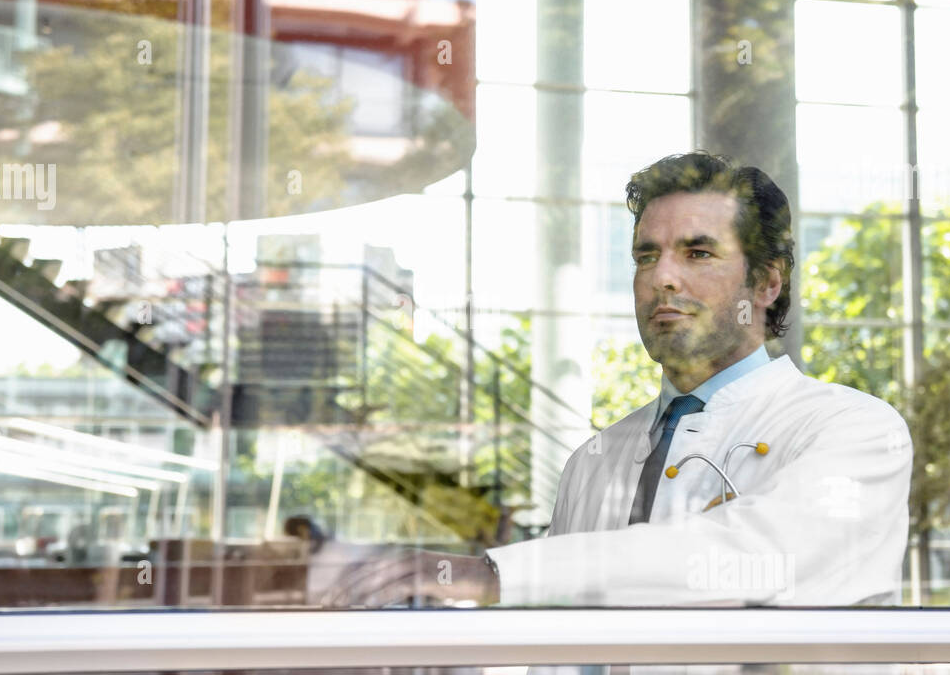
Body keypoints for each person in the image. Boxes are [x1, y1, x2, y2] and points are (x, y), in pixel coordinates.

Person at [326, 151, 912, 610]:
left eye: (698, 253)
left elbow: (762, 554)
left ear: (766, 283)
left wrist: (500, 572)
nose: (662, 278)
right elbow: (556, 660)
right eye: (644, 256)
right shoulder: (595, 461)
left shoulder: (853, 429)